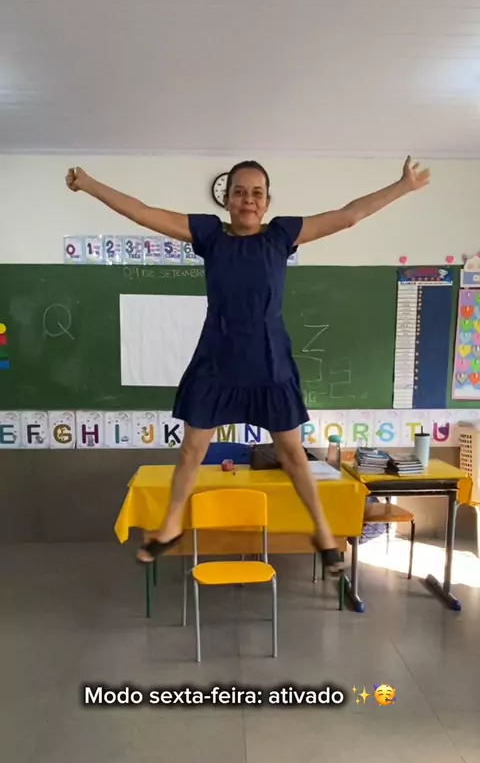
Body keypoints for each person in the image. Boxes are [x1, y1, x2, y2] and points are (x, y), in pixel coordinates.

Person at [65, 157, 429, 574]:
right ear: (227, 200)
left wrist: (403, 186)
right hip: (217, 358)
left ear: (268, 201)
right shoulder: (209, 235)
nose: (248, 200)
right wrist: (90, 184)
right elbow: (144, 213)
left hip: (269, 360)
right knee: (191, 450)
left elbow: (348, 216)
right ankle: (170, 526)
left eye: (257, 193)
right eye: (239, 192)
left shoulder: (281, 236)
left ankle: (324, 533)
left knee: (293, 454)